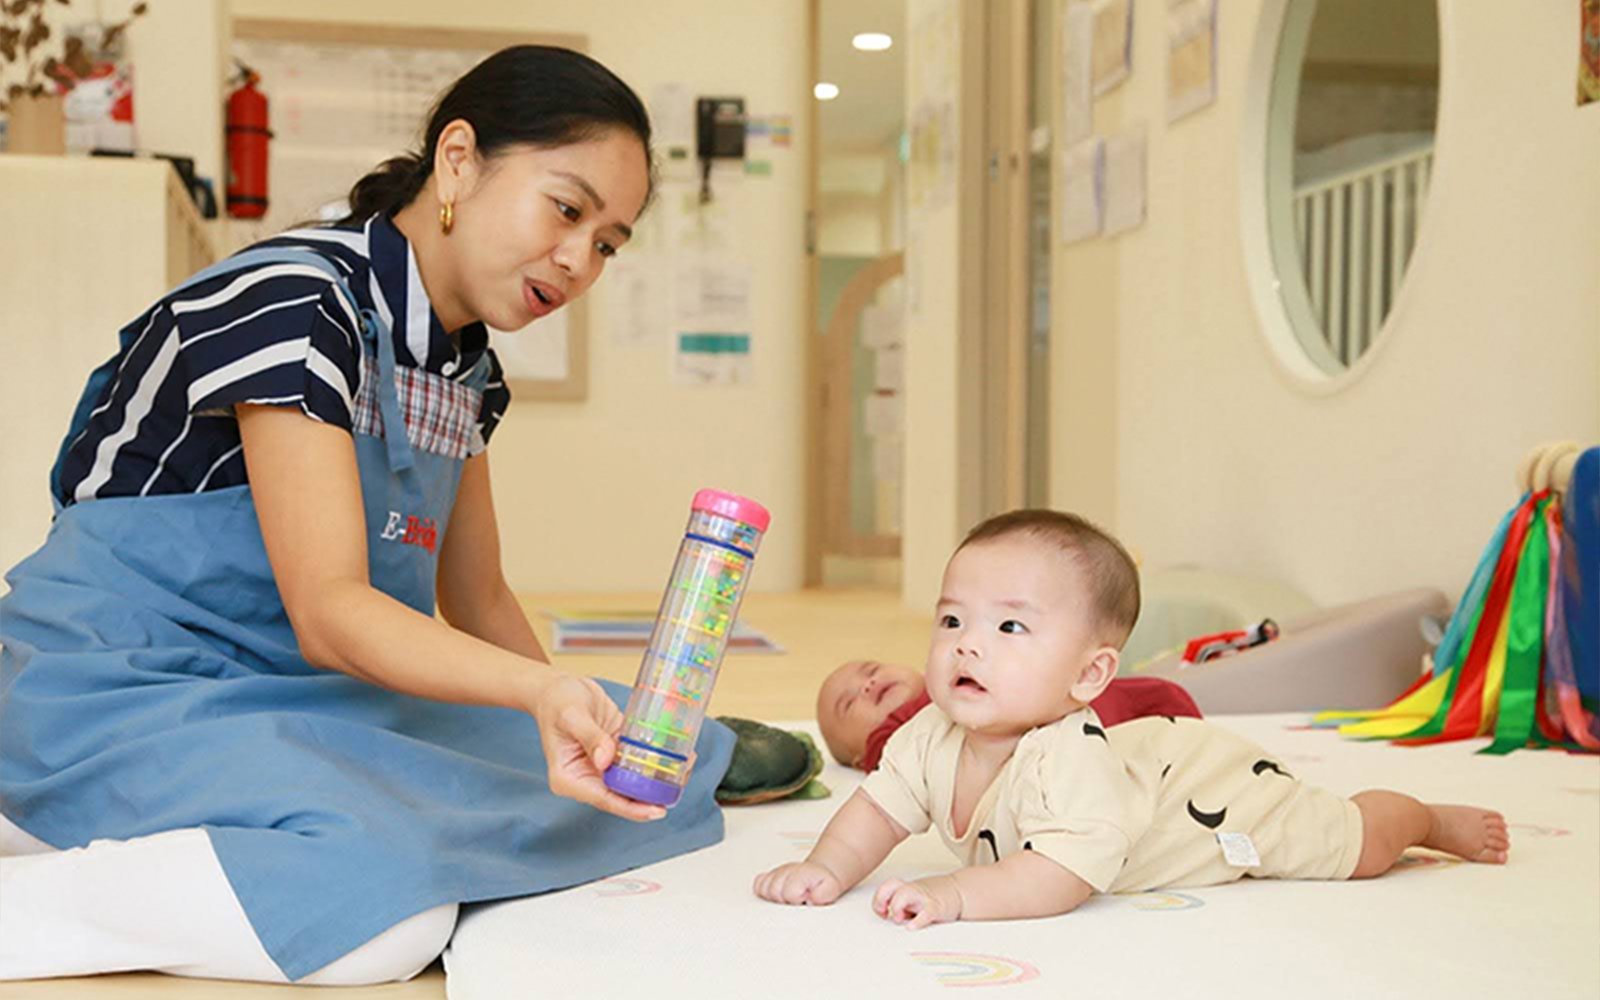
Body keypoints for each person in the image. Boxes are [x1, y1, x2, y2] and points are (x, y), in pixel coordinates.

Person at [0, 46, 733, 985]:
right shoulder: (297, 303)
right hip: (122, 689)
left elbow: (478, 596)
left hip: (287, 694)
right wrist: (539, 700)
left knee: (670, 759)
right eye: (567, 207)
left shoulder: (467, 368)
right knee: (383, 906)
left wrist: (579, 733)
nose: (579, 258)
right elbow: (330, 609)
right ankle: (37, 871)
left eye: (608, 243)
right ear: (459, 160)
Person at [755, 510, 1510, 928]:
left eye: (1010, 628)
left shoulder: (1066, 755)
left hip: (1214, 803)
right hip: (1148, 765)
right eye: (952, 619)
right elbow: (874, 812)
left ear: (1089, 675)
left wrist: (958, 897)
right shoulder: (932, 736)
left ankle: (1421, 819)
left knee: (1354, 843)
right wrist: (827, 869)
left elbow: (1060, 877)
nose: (968, 643)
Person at [816, 660, 1201, 771]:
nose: (867, 686)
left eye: (870, 671)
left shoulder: (963, 670)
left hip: (1092, 709)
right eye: (849, 704)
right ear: (857, 757)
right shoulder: (895, 744)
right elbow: (894, 753)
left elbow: (1160, 696)